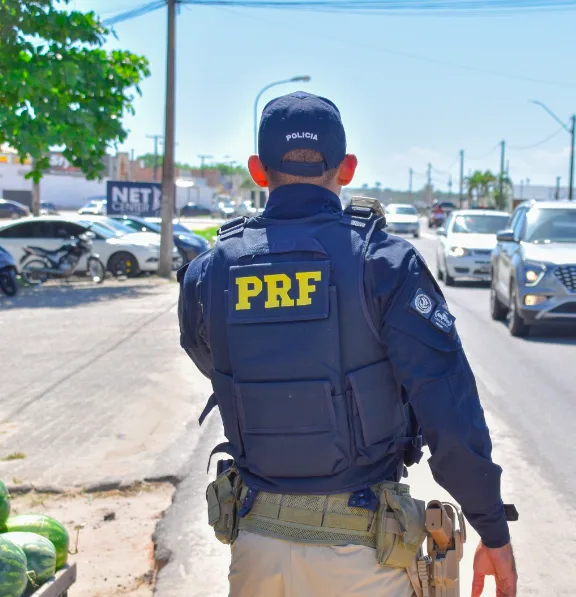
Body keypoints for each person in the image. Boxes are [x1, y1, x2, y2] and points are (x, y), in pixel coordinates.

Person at [178, 91, 517, 597]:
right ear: (348, 168)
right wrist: (492, 528)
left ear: (257, 170)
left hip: (255, 550)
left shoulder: (211, 270)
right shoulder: (385, 262)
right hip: (365, 556)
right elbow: (447, 405)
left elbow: (208, 357)